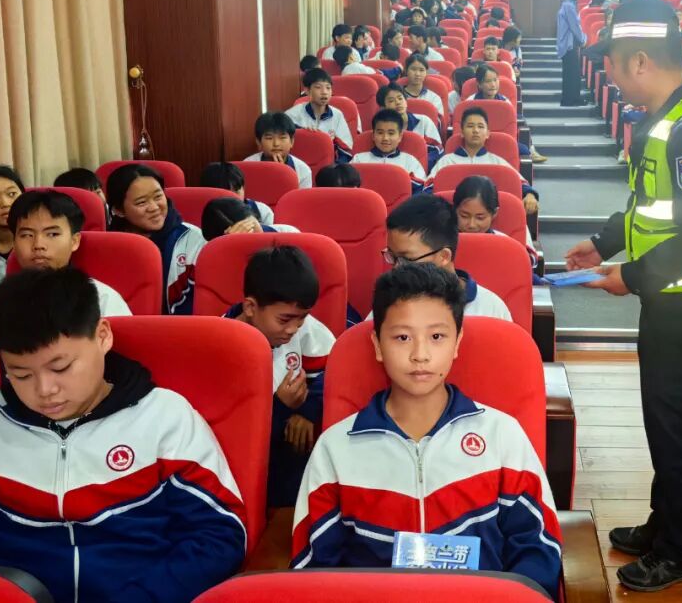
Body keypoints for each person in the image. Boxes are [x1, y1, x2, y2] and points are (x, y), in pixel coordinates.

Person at [562, 0, 682, 591]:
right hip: (674, 301)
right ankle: (663, 524)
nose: (610, 75)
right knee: (663, 423)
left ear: (640, 60)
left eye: (613, 63)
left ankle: (681, 552)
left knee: (680, 430)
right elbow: (652, 206)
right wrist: (603, 241)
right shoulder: (665, 120)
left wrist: (633, 276)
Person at [0, 268, 245, 602]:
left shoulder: (164, 418)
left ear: (103, 336)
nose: (44, 390)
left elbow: (221, 534)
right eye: (21, 374)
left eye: (61, 368)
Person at [290, 263, 560, 596]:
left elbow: (537, 546)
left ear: (457, 343)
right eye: (402, 337)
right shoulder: (336, 448)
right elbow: (314, 570)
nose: (420, 355)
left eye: (437, 337)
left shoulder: (501, 435)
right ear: (377, 344)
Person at [226, 246, 334, 507]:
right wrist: (281, 406)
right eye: (285, 320)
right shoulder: (223, 344)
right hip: (247, 462)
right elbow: (233, 431)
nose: (294, 329)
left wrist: (307, 410)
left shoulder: (303, 329)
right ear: (250, 307)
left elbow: (335, 370)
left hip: (295, 460)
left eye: (302, 318)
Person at [0, 190, 131, 324]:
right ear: (14, 242)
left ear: (74, 241)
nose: (38, 245)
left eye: (52, 234)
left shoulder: (102, 299)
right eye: (26, 235)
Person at [383, 194, 512, 321]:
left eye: (406, 259)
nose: (396, 268)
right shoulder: (389, 303)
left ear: (444, 256)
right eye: (392, 256)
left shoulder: (490, 310)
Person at [107, 164, 205, 315]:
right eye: (141, 202)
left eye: (158, 196)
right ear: (118, 210)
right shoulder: (108, 246)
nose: (154, 207)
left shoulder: (193, 239)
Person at [429, 107, 540, 215]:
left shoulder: (497, 162)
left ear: (487, 134)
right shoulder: (446, 161)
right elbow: (428, 187)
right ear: (462, 132)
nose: (475, 130)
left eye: (480, 126)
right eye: (470, 126)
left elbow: (519, 183)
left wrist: (530, 195)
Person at [453, 175, 537, 271]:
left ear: (494, 213)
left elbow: (525, 264)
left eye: (480, 218)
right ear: (455, 210)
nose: (471, 225)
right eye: (464, 216)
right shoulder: (443, 242)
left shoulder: (505, 243)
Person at [349, 108, 428, 191]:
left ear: (400, 136)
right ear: (373, 135)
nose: (385, 138)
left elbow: (421, 190)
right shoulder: (359, 160)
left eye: (391, 133)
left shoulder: (410, 162)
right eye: (380, 133)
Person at [285, 68, 354, 158]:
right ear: (307, 90)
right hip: (300, 160)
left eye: (328, 88)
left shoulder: (337, 115)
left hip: (328, 163)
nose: (324, 92)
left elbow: (346, 150)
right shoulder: (293, 115)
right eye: (318, 87)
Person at [377, 84, 442, 169]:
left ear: (406, 101)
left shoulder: (423, 121)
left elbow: (437, 150)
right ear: (383, 108)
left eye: (400, 98)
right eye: (391, 101)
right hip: (393, 169)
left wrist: (418, 166)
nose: (398, 102)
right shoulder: (381, 127)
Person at [245, 111, 313, 190]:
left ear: (292, 142)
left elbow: (301, 197)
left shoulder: (303, 170)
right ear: (259, 143)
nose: (276, 144)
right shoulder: (247, 166)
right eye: (269, 138)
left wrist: (283, 174)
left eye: (282, 138)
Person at [199, 160, 277, 226]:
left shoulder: (262, 211)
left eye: (236, 192)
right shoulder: (199, 213)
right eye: (226, 194)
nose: (232, 199)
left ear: (243, 188)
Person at [557, 0, 587, 106]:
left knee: (571, 73)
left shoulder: (567, 4)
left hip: (568, 44)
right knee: (572, 73)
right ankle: (571, 99)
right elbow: (575, 26)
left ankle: (570, 99)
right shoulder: (569, 6)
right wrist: (583, 39)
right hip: (569, 45)